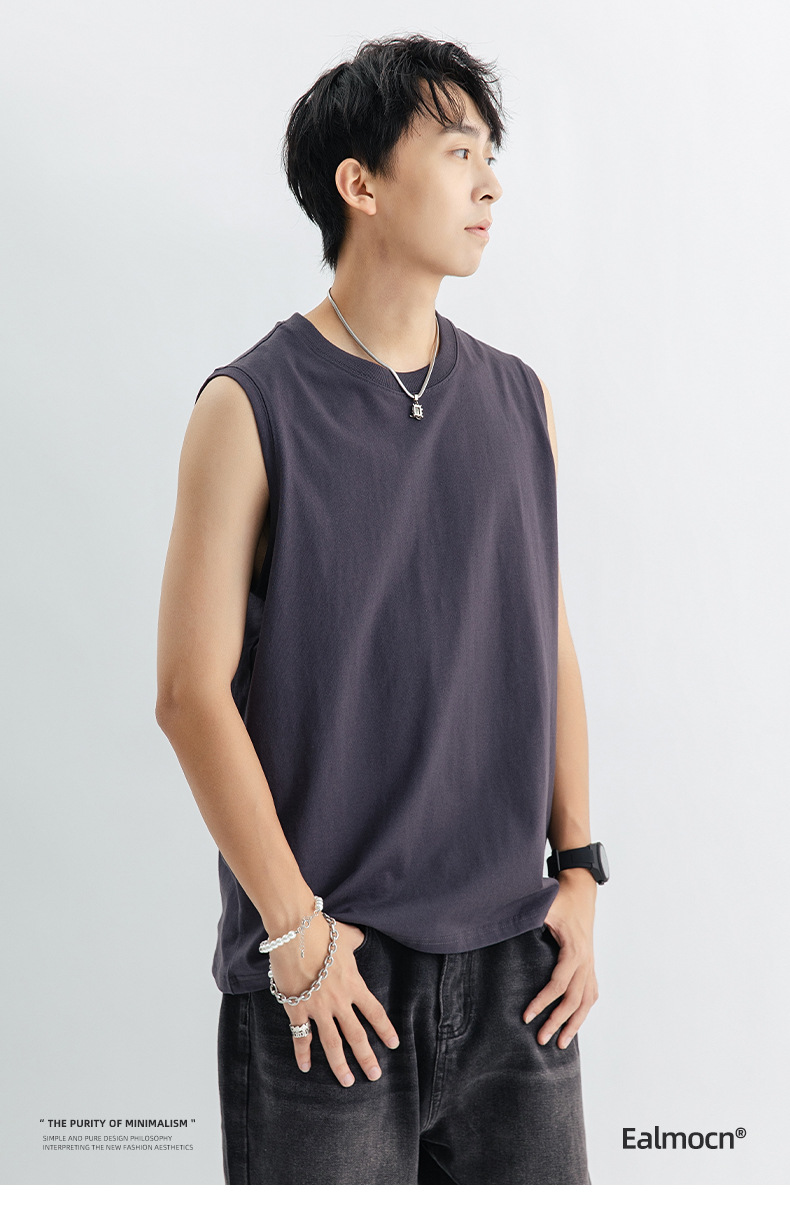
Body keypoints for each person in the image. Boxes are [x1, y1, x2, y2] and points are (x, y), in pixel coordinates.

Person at [155, 33, 608, 1185]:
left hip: (518, 968)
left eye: (490, 154)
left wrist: (579, 871)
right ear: (359, 183)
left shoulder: (518, 398)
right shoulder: (248, 405)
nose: (489, 183)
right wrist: (295, 931)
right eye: (457, 151)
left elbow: (545, 637)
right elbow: (189, 692)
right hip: (332, 972)